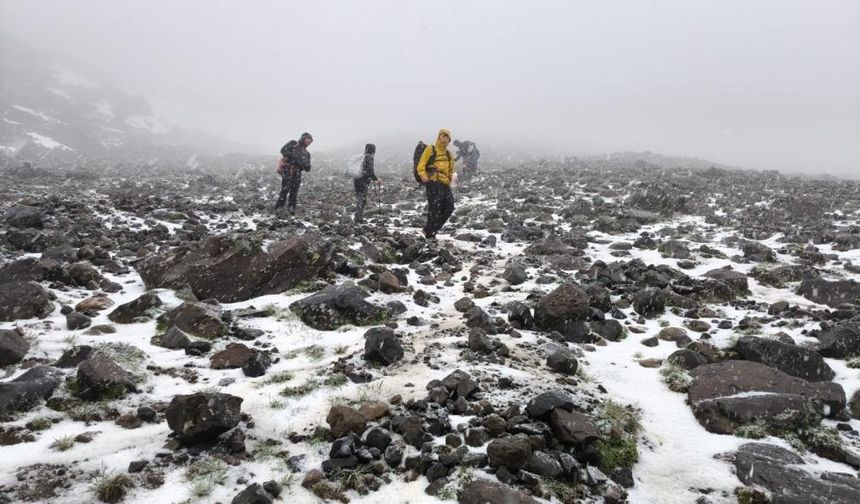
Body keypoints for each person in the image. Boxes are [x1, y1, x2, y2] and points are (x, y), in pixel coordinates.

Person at [416, 129, 455, 239]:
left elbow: (451, 170)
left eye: (447, 138)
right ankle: (431, 234)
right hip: (433, 182)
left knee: (449, 207)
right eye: (443, 136)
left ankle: (429, 229)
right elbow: (421, 164)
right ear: (439, 137)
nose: (445, 139)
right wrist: (423, 175)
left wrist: (453, 181)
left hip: (445, 184)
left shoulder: (449, 154)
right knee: (435, 208)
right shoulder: (431, 149)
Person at [275, 132, 313, 215]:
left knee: (294, 190)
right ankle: (279, 207)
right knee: (285, 188)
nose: (309, 142)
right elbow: (283, 150)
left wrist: (304, 164)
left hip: (297, 172)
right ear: (303, 138)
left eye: (310, 141)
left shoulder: (307, 154)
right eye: (308, 140)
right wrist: (295, 158)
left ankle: (291, 207)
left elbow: (308, 168)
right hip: (288, 170)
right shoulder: (293, 143)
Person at [353, 143, 379, 224]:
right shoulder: (369, 157)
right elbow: (370, 171)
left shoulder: (362, 157)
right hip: (363, 182)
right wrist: (376, 179)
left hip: (357, 180)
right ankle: (358, 218)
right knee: (362, 200)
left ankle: (358, 217)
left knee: (360, 198)